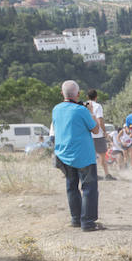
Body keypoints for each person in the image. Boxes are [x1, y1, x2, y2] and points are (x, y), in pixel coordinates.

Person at [52, 80, 104, 231]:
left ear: (62, 93)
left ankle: (75, 219)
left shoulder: (56, 109)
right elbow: (95, 130)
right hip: (83, 156)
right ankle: (87, 222)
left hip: (63, 154)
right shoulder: (81, 111)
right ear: (78, 94)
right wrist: (91, 112)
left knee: (71, 187)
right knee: (89, 188)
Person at [87, 89, 115, 181]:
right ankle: (106, 174)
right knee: (102, 155)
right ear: (96, 97)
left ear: (87, 97)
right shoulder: (97, 106)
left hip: (87, 134)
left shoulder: (84, 105)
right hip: (97, 134)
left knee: (91, 156)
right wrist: (104, 131)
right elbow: (100, 120)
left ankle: (92, 174)